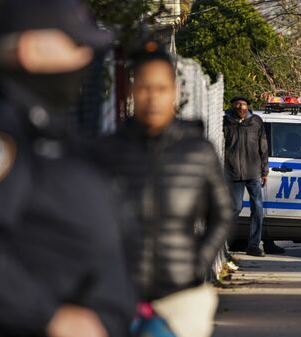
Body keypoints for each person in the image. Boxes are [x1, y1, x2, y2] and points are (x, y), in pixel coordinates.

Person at [0, 1, 135, 337]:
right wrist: (49, 317)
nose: (86, 58)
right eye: (77, 45)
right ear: (32, 49)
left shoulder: (43, 125)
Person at [101, 42, 233, 337]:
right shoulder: (108, 151)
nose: (153, 97)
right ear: (133, 91)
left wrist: (199, 263)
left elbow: (222, 213)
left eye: (161, 88)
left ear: (174, 92)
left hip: (179, 297)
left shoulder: (198, 151)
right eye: (145, 88)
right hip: (118, 297)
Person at [223, 97, 285, 256]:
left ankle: (254, 245)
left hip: (253, 172)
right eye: (237, 104)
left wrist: (264, 171)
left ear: (247, 106)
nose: (240, 106)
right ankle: (222, 241)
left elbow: (263, 148)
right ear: (232, 106)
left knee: (257, 207)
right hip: (233, 172)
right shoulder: (225, 121)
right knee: (235, 207)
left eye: (243, 104)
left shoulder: (256, 122)